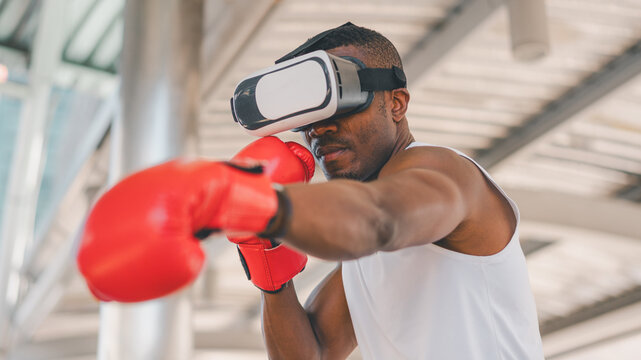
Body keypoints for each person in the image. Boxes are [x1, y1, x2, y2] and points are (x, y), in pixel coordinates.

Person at [77, 23, 544, 359]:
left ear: (396, 102)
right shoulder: (366, 255)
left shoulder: (443, 172)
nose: (320, 128)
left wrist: (244, 198)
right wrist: (269, 269)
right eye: (310, 118)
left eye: (341, 103)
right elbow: (312, 355)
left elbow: (378, 219)